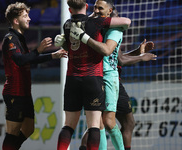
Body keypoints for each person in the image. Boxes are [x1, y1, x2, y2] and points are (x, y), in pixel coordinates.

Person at [75, 1, 157, 150]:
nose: (98, 11)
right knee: (103, 122)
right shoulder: (105, 29)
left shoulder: (106, 29)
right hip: (104, 77)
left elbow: (115, 56)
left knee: (103, 122)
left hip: (107, 77)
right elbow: (116, 56)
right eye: (96, 8)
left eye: (102, 9)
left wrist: (138, 53)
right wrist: (140, 56)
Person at [54, 0, 131, 149]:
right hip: (93, 78)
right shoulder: (96, 23)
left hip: (79, 78)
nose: (96, 10)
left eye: (99, 8)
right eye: (94, 7)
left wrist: (70, 41)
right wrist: (65, 43)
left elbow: (110, 51)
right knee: (96, 125)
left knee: (70, 126)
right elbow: (126, 21)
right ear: (88, 6)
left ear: (69, 10)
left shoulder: (68, 25)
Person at [1, 2, 67, 150]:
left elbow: (30, 58)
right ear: (16, 21)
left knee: (29, 128)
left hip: (24, 92)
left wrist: (52, 55)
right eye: (25, 16)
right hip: (14, 92)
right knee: (12, 132)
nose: (29, 19)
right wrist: (38, 49)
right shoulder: (10, 39)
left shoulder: (20, 38)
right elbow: (20, 60)